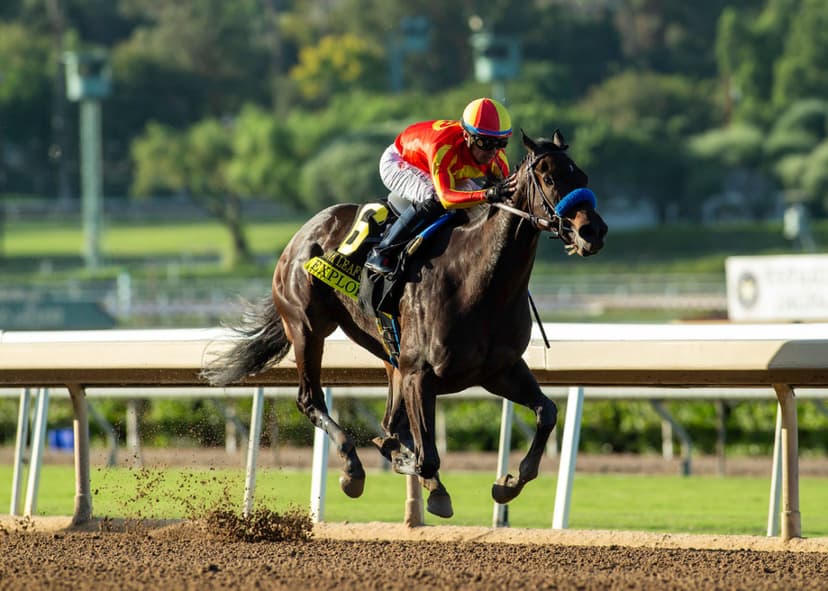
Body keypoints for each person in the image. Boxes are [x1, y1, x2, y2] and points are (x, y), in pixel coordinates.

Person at [364, 97, 518, 276]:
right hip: (400, 160)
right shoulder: (444, 146)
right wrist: (487, 194)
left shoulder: (497, 158)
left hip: (446, 168)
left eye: (500, 143)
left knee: (477, 206)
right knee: (434, 197)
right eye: (485, 142)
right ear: (467, 135)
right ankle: (381, 252)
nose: (493, 151)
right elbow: (446, 198)